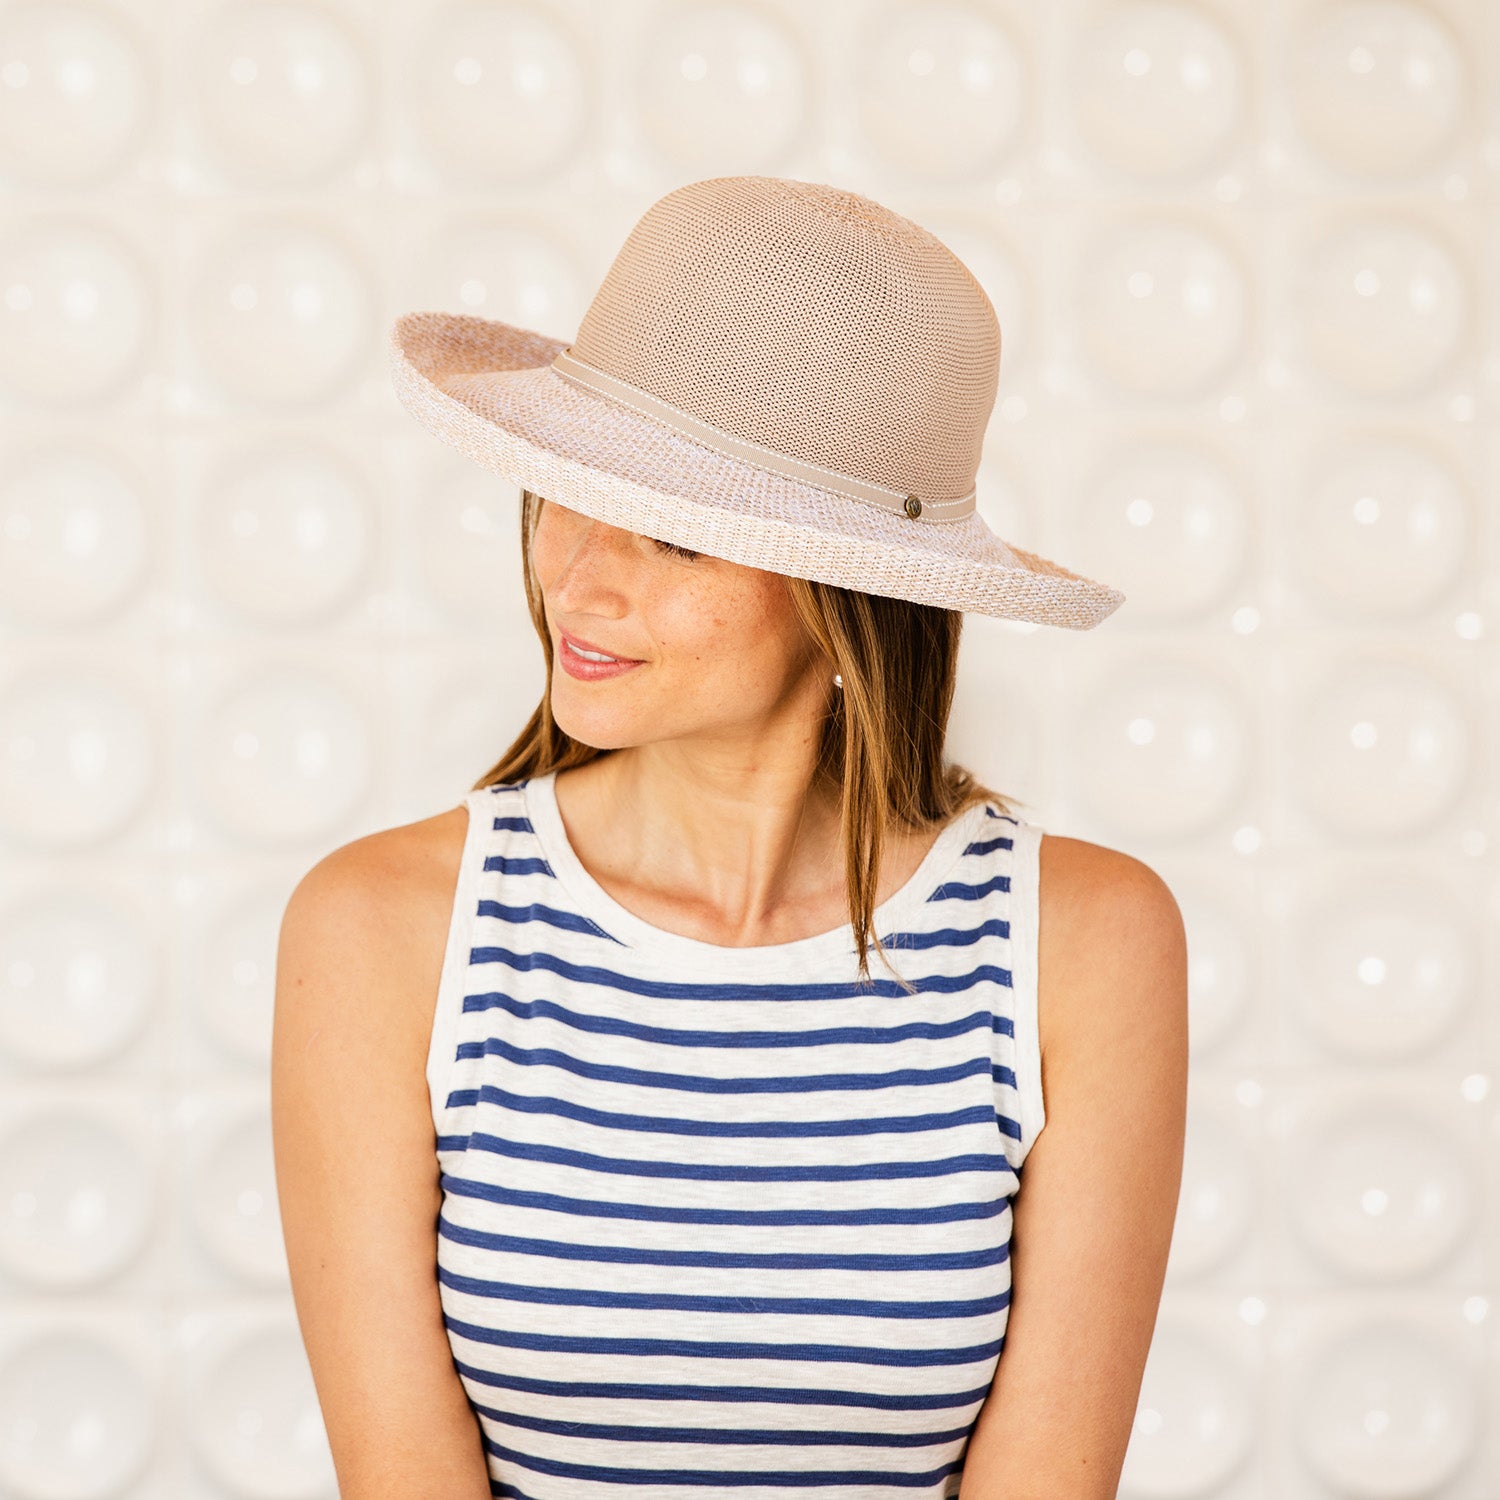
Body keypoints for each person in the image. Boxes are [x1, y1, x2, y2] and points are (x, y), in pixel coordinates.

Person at [271, 176, 1188, 1499]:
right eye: (562, 492)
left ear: (846, 596)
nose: (578, 578)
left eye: (671, 535)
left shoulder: (1085, 944)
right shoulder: (383, 929)